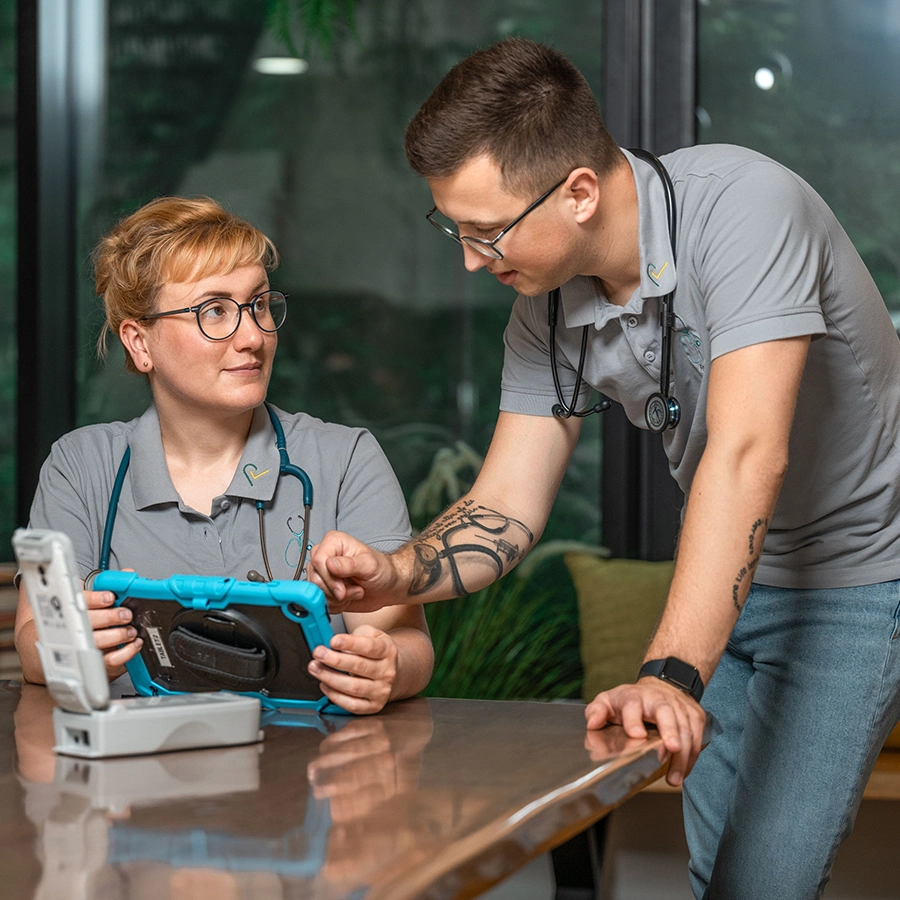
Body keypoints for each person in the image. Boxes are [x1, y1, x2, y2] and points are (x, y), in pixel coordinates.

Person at [307, 36, 900, 899]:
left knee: (763, 884)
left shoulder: (746, 207)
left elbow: (745, 457)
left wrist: (665, 672)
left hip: (862, 578)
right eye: (456, 230)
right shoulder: (545, 308)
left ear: (579, 191)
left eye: (486, 232)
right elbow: (507, 504)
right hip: (732, 582)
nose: (471, 260)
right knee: (719, 880)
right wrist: (396, 574)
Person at [14, 196, 434, 715]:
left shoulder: (344, 459)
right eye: (214, 311)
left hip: (304, 774)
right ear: (139, 342)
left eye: (259, 305)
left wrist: (385, 668)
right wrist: (71, 648)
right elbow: (35, 640)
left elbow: (408, 645)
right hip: (137, 780)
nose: (254, 336)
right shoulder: (82, 466)